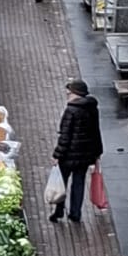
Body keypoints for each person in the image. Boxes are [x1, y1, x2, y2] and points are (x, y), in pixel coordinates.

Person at [50, 78, 103, 225]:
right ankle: (75, 213)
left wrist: (57, 155)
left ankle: (59, 211)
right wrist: (97, 153)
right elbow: (96, 132)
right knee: (78, 183)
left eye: (69, 92)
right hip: (84, 156)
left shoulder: (71, 110)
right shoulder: (92, 109)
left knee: (62, 183)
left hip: (68, 156)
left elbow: (65, 136)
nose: (67, 95)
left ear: (76, 93)